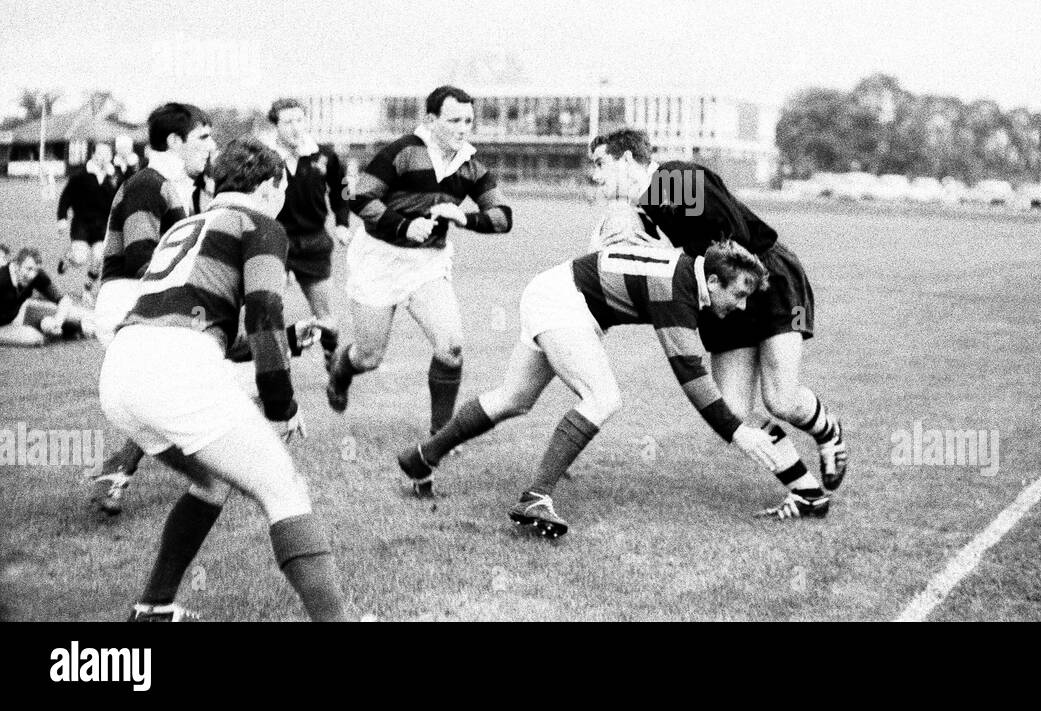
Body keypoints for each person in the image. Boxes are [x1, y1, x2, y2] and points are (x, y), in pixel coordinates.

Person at [395, 239, 823, 537]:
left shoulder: (686, 277)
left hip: (553, 290)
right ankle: (534, 498)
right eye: (740, 294)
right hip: (564, 302)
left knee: (514, 399)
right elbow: (692, 375)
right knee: (603, 397)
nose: (743, 305)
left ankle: (421, 457)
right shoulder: (675, 291)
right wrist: (738, 431)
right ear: (712, 283)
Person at [99, 137, 347, 621]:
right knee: (285, 489)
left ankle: (153, 607)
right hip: (176, 367)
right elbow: (264, 309)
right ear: (273, 185)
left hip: (123, 369)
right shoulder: (262, 224)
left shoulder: (189, 224)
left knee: (211, 482)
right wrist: (282, 405)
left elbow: (194, 318)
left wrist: (290, 339)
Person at [587, 127, 847, 519]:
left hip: (766, 278)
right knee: (735, 409)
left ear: (626, 160)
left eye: (601, 162)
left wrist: (670, 252)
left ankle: (828, 433)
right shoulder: (643, 207)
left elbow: (736, 245)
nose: (595, 174)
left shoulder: (673, 179)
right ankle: (808, 494)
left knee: (781, 398)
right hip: (717, 295)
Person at [326, 85, 513, 435]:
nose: (462, 128)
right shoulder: (403, 151)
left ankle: (439, 434)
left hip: (428, 264)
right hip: (378, 260)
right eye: (454, 120)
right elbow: (359, 196)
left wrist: (464, 218)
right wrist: (403, 225)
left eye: (468, 121)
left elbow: (503, 217)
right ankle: (341, 369)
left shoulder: (470, 165)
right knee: (368, 357)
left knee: (452, 347)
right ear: (431, 120)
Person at [89, 103, 216, 515]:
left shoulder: (171, 185)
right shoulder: (149, 184)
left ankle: (118, 470)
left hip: (142, 305)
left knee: (176, 394)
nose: (211, 147)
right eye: (203, 138)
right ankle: (214, 477)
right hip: (129, 305)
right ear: (175, 142)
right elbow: (142, 257)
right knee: (198, 385)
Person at [263, 97, 350, 366]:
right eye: (288, 122)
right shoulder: (264, 157)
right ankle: (275, 366)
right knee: (268, 309)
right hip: (274, 241)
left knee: (326, 318)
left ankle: (331, 359)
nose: (295, 127)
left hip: (314, 242)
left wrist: (342, 223)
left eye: (300, 120)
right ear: (275, 126)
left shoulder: (324, 155)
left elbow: (342, 191)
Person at [0, 247, 93, 346]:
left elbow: (64, 300)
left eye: (35, 270)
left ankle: (87, 326)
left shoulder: (36, 275)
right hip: (3, 326)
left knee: (78, 313)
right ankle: (74, 329)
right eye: (28, 269)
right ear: (16, 266)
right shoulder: (2, 279)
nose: (32, 275)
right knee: (34, 338)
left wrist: (57, 322)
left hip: (19, 312)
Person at [56, 140, 119, 286]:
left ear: (111, 156)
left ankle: (88, 289)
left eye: (106, 154)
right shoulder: (80, 175)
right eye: (99, 154)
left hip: (103, 226)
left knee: (98, 257)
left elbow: (121, 200)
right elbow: (66, 198)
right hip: (81, 224)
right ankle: (68, 258)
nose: (103, 157)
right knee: (80, 259)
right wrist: (62, 218)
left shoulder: (115, 176)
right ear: (93, 155)